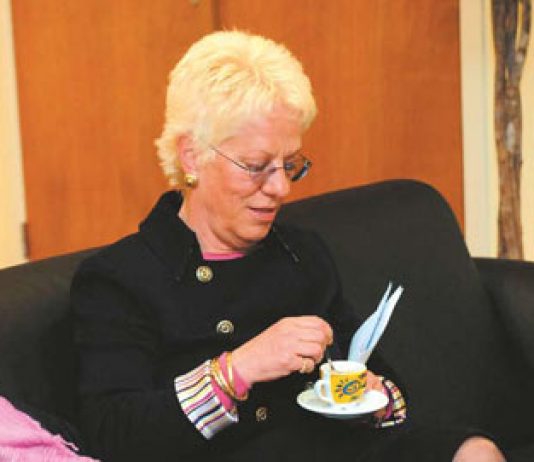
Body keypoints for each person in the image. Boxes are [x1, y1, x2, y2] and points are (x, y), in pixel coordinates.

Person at [71, 30, 505, 462]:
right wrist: (235, 371)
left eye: (290, 164)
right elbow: (115, 436)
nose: (281, 188)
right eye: (256, 166)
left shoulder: (301, 253)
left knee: (476, 452)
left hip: (335, 449)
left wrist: (372, 397)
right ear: (192, 156)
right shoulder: (120, 278)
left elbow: (377, 381)